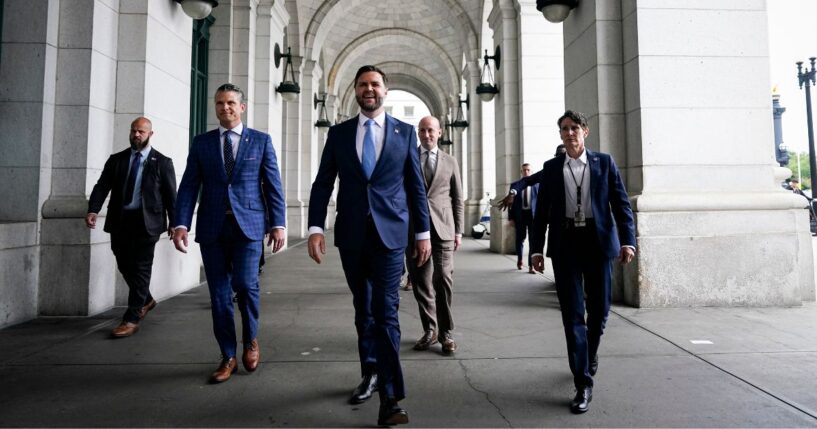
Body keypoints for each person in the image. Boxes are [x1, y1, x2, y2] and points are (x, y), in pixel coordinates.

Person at [306, 65, 431, 427]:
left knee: (386, 312)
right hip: (352, 236)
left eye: (375, 84)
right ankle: (371, 372)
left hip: (391, 237)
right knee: (364, 310)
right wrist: (315, 228)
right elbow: (322, 183)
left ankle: (391, 397)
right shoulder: (340, 134)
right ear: (356, 91)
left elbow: (415, 188)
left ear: (385, 91)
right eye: (363, 84)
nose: (369, 89)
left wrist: (422, 233)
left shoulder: (404, 133)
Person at [172, 83, 286, 384]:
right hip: (212, 228)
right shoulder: (202, 143)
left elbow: (273, 185)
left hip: (248, 227)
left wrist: (278, 224)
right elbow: (188, 185)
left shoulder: (261, 141)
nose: (225, 107)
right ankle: (228, 355)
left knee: (246, 284)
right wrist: (181, 223)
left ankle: (250, 340)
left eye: (231, 103)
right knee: (219, 295)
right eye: (220, 103)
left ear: (242, 107)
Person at [529, 110, 636, 414]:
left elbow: (621, 203)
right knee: (573, 314)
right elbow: (542, 213)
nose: (569, 133)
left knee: (600, 309)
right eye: (564, 129)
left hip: (598, 241)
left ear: (585, 132)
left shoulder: (604, 162)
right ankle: (583, 382)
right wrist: (536, 249)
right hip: (565, 244)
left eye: (574, 128)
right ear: (560, 134)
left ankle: (588, 353)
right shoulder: (551, 169)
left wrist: (628, 240)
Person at [86, 117, 177, 338]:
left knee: (142, 268)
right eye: (134, 131)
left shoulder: (162, 162)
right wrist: (93, 209)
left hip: (148, 223)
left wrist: (175, 222)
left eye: (141, 132)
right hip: (120, 221)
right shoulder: (116, 160)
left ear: (150, 134)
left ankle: (132, 318)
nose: (136, 135)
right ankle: (146, 299)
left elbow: (171, 196)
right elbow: (102, 186)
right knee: (124, 264)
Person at [407, 116, 464, 354]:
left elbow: (457, 198)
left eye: (430, 130)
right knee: (421, 281)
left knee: (442, 279)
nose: (426, 134)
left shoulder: (450, 161)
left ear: (439, 132)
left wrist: (459, 230)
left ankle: (446, 332)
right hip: (414, 230)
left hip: (444, 229)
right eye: (422, 130)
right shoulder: (407, 159)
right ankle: (430, 330)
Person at [508, 163, 538, 273]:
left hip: (532, 216)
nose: (526, 172)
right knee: (519, 239)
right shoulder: (515, 185)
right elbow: (510, 203)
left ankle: (531, 266)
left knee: (532, 241)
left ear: (532, 172)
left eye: (528, 170)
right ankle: (520, 259)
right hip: (520, 216)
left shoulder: (537, 185)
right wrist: (510, 218)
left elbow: (541, 203)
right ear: (521, 172)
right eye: (524, 170)